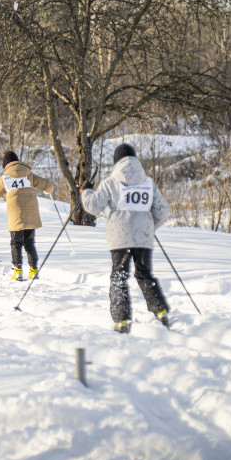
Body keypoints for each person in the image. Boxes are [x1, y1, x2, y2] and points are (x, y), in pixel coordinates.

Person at [79, 142, 171, 334]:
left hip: (119, 237)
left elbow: (94, 207)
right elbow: (163, 211)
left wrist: (86, 191)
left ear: (116, 162)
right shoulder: (148, 183)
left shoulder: (111, 182)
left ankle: (121, 320)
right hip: (143, 237)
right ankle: (160, 310)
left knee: (119, 275)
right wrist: (148, 226)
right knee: (144, 274)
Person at [0, 150, 54, 281]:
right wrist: (50, 189)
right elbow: (48, 186)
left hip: (16, 214)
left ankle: (18, 271)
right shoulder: (28, 174)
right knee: (30, 242)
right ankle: (34, 271)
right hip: (32, 213)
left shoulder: (5, 178)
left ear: (5, 165)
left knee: (16, 243)